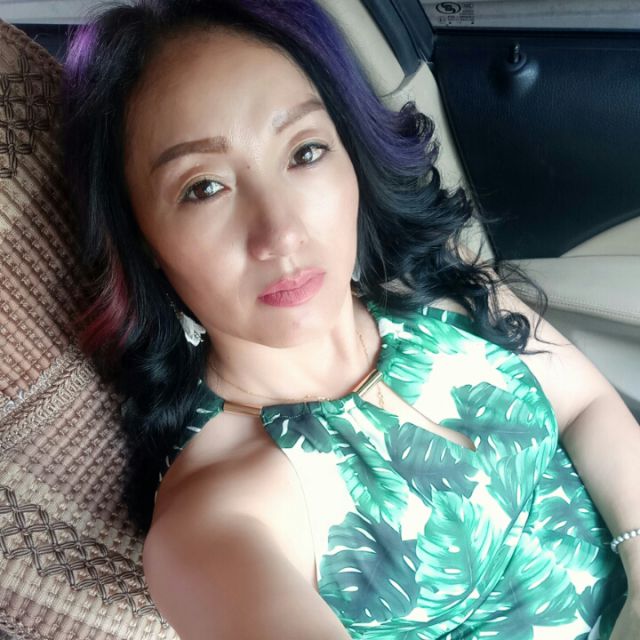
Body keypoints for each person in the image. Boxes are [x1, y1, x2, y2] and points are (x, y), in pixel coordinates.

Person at [61, 0, 639, 638]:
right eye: (204, 188)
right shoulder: (220, 516)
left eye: (305, 152)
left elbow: (585, 405)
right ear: (141, 239)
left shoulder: (429, 285)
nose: (281, 234)